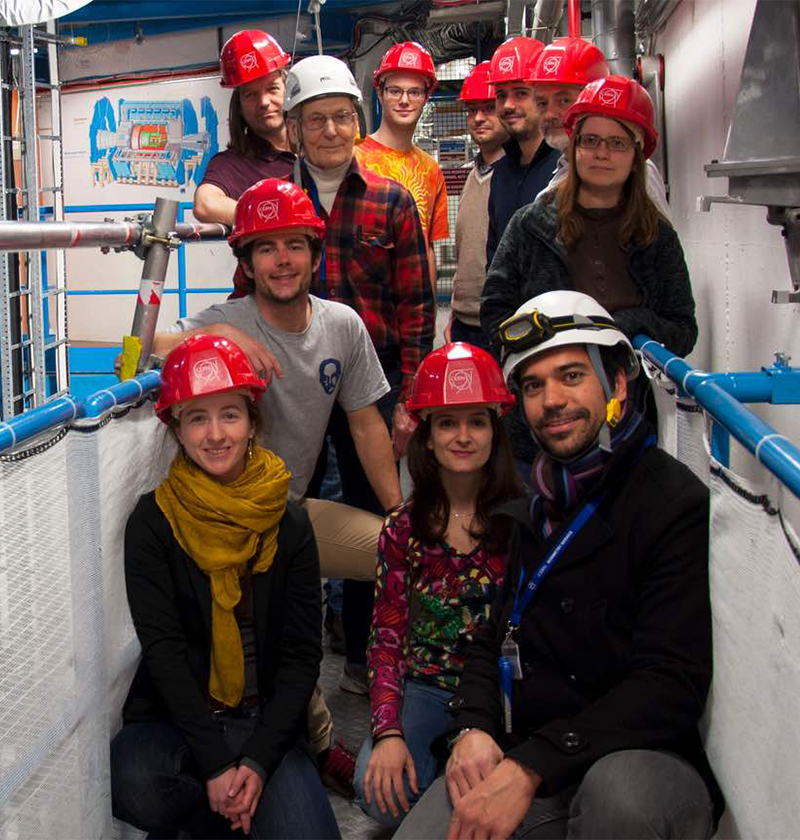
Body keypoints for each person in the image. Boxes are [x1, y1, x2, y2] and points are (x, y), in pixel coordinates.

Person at [394, 291, 724, 840]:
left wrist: (529, 767)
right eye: (533, 385)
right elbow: (490, 637)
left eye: (571, 376)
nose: (551, 400)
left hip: (636, 756)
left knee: (622, 803)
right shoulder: (537, 505)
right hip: (540, 750)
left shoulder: (669, 502)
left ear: (616, 384)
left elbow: (669, 684)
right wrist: (473, 726)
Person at [152, 177, 402, 796]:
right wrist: (223, 339)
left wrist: (403, 514)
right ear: (246, 261)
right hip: (226, 521)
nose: (282, 260)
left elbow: (367, 423)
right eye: (266, 248)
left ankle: (408, 711)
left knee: (404, 556)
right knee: (278, 620)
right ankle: (317, 745)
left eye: (294, 245)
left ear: (316, 255)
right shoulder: (227, 319)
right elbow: (144, 348)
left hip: (290, 515)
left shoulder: (342, 326)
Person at [110, 334, 341, 839]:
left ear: (253, 422)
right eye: (197, 417)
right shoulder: (154, 522)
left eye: (229, 415)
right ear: (177, 429)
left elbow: (302, 656)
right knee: (135, 782)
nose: (215, 434)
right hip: (180, 718)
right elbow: (164, 651)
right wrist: (216, 766)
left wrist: (256, 762)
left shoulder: (289, 522)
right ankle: (227, 816)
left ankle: (232, 809)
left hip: (265, 720)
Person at [285, 54, 435, 693]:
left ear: (357, 121)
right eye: (315, 120)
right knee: (286, 514)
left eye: (342, 118)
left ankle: (361, 659)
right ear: (293, 128)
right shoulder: (277, 202)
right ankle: (294, 657)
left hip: (371, 396)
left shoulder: (391, 200)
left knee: (371, 515)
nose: (330, 131)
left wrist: (409, 402)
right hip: (292, 394)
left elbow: (417, 308)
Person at [481, 75, 697, 481]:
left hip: (624, 426)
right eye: (590, 140)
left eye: (617, 143)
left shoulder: (656, 237)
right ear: (575, 146)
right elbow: (494, 308)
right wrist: (536, 359)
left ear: (637, 154)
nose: (602, 153)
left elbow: (683, 330)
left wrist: (624, 327)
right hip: (538, 431)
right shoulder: (533, 224)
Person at [354, 342, 522, 828]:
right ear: (426, 436)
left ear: (496, 431)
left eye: (476, 421)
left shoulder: (523, 523)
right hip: (424, 690)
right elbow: (385, 641)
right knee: (377, 789)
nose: (462, 436)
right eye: (447, 422)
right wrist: (387, 733)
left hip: (502, 695)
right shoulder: (402, 529)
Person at [193, 29, 295, 297]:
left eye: (272, 88)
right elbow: (206, 203)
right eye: (250, 94)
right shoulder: (233, 163)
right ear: (238, 104)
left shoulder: (314, 151)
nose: (264, 102)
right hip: (261, 298)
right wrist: (278, 218)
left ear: (288, 87)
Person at [529, 36, 671, 220]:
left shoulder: (631, 172)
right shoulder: (566, 167)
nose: (549, 114)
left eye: (564, 100)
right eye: (541, 103)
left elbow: (658, 242)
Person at [355, 41, 449, 293]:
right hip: (362, 303)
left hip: (410, 308)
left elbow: (427, 247)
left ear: (426, 97)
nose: (405, 100)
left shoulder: (431, 170)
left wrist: (427, 315)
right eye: (395, 91)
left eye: (414, 92)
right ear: (380, 93)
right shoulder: (353, 158)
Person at [446, 62, 508, 351]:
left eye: (487, 108)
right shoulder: (474, 175)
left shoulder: (515, 176)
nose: (478, 118)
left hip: (502, 322)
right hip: (464, 321)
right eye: (472, 110)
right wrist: (455, 312)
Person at [485, 36, 560, 270]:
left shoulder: (567, 165)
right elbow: (495, 258)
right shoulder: (500, 174)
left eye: (520, 93)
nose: (508, 105)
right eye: (500, 95)